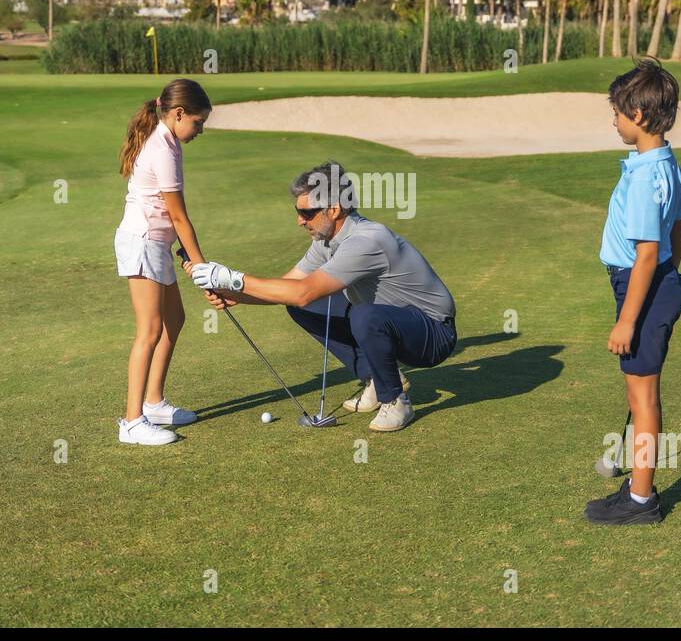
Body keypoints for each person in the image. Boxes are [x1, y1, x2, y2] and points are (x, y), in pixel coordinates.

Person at [188, 160, 456, 433]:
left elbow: (303, 292)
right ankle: (376, 378)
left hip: (433, 333)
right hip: (392, 322)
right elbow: (291, 286)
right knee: (303, 308)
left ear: (334, 209)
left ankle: (395, 401)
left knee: (364, 316)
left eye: (306, 212)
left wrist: (231, 278)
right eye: (298, 211)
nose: (299, 220)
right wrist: (236, 293)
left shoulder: (366, 241)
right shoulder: (325, 241)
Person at [586, 59, 681, 525]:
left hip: (641, 286)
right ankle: (638, 484)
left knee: (643, 400)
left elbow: (647, 253)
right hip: (655, 283)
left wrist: (629, 318)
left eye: (618, 112)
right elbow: (678, 231)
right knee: (640, 395)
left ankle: (642, 501)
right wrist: (669, 278)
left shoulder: (648, 176)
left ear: (639, 116)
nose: (614, 120)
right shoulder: (664, 162)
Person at [114, 78, 211, 446]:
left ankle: (153, 402)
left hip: (155, 241)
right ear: (179, 114)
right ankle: (131, 422)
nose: (200, 131)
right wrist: (204, 270)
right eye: (198, 123)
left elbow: (172, 218)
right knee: (150, 331)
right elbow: (180, 216)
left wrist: (189, 254)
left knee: (175, 319)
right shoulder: (163, 149)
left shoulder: (168, 139)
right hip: (143, 243)